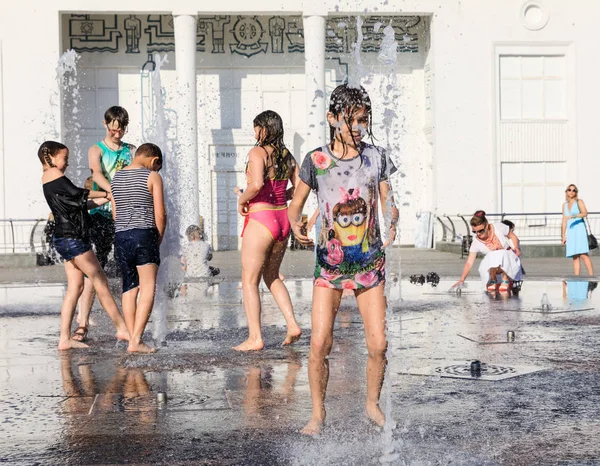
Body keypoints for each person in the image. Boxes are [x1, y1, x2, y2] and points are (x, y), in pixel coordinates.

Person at [288, 83, 399, 435]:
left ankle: (371, 403)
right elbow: (296, 204)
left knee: (378, 343)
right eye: (350, 121)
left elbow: (388, 199)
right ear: (332, 118)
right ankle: (318, 414)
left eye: (362, 121)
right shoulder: (316, 160)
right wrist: (297, 224)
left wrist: (393, 220)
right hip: (330, 267)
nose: (356, 129)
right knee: (320, 342)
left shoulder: (376, 156)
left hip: (369, 264)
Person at [38, 141, 130, 350]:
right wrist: (110, 192)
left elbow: (81, 204)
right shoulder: (53, 174)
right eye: (65, 158)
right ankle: (121, 327)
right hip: (73, 238)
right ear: (49, 157)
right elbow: (79, 193)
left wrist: (106, 198)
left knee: (76, 287)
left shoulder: (50, 180)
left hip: (64, 237)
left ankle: (64, 338)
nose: (67, 163)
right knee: (99, 280)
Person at [233, 110, 303, 351]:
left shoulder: (257, 152)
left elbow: (257, 184)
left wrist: (242, 199)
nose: (254, 133)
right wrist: (286, 196)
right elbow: (302, 185)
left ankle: (255, 338)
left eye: (256, 128)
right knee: (271, 276)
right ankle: (292, 324)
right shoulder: (287, 155)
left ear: (265, 128)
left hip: (261, 219)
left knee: (249, 281)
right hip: (282, 220)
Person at [75, 106, 135, 341]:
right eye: (113, 129)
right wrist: (113, 191)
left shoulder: (131, 150)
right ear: (105, 124)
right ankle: (82, 323)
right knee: (94, 270)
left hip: (125, 215)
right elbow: (97, 174)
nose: (117, 134)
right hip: (101, 213)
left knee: (127, 267)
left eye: (120, 130)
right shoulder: (96, 149)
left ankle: (129, 324)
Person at [111, 143, 166, 353]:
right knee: (148, 286)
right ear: (154, 160)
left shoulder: (116, 177)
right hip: (144, 233)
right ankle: (136, 340)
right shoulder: (152, 177)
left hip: (121, 236)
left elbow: (115, 214)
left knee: (129, 287)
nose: (157, 171)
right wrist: (158, 238)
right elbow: (160, 214)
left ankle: (133, 336)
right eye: (157, 166)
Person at [453, 211, 522, 293]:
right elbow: (469, 263)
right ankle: (493, 280)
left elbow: (512, 235)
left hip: (510, 263)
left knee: (502, 253)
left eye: (481, 231)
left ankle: (506, 279)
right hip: (494, 270)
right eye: (475, 232)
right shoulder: (476, 243)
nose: (478, 234)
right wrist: (462, 279)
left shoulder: (498, 227)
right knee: (490, 256)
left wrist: (516, 247)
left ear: (486, 225)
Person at [562, 184, 594, 276]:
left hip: (579, 230)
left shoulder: (579, 202)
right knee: (575, 256)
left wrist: (574, 216)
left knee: (583, 254)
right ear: (566, 192)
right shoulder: (564, 205)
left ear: (576, 192)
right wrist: (563, 236)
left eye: (574, 190)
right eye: (569, 190)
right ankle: (577, 277)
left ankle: (592, 276)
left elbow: (585, 213)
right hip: (571, 232)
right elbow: (564, 220)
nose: (571, 192)